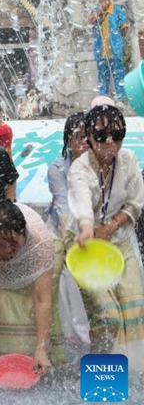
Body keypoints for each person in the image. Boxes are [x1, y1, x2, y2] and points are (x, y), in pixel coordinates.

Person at [67, 105, 144, 370]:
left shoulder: (129, 160)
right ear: (88, 136)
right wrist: (88, 228)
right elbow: (81, 200)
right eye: (101, 135)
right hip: (87, 247)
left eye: (117, 133)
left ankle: (134, 376)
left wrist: (111, 227)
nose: (110, 141)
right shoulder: (79, 169)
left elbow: (136, 204)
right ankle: (101, 379)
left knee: (135, 311)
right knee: (108, 317)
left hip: (120, 241)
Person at [0, 199, 65, 374]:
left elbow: (42, 300)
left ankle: (48, 357)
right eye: (0, 244)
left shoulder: (40, 244)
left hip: (40, 255)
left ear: (24, 235)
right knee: (3, 307)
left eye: (13, 243)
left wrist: (41, 348)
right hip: (0, 264)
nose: (7, 250)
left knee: (37, 310)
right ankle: (3, 356)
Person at [46, 112, 91, 347]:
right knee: (56, 272)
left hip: (93, 226)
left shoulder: (101, 162)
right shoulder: (58, 168)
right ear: (67, 140)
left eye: (87, 137)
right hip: (60, 228)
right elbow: (63, 206)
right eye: (77, 137)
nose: (82, 142)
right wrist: (69, 242)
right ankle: (62, 335)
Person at [88, 0, 129, 101]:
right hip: (101, 50)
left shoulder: (117, 10)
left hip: (115, 50)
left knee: (119, 74)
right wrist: (100, 11)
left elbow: (124, 27)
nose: (103, 0)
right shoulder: (96, 10)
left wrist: (118, 39)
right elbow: (90, 20)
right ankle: (103, 98)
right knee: (102, 76)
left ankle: (121, 99)